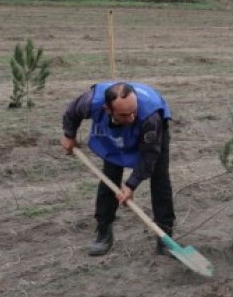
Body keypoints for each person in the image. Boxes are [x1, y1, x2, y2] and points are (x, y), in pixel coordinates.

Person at [61, 82, 175, 257]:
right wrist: (69, 135)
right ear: (107, 109)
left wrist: (131, 185)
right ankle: (103, 231)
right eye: (124, 114)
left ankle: (165, 235)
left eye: (133, 112)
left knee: (160, 179)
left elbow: (148, 157)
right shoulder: (91, 102)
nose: (130, 118)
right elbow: (72, 112)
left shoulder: (150, 116)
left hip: (152, 133)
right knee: (110, 176)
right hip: (112, 133)